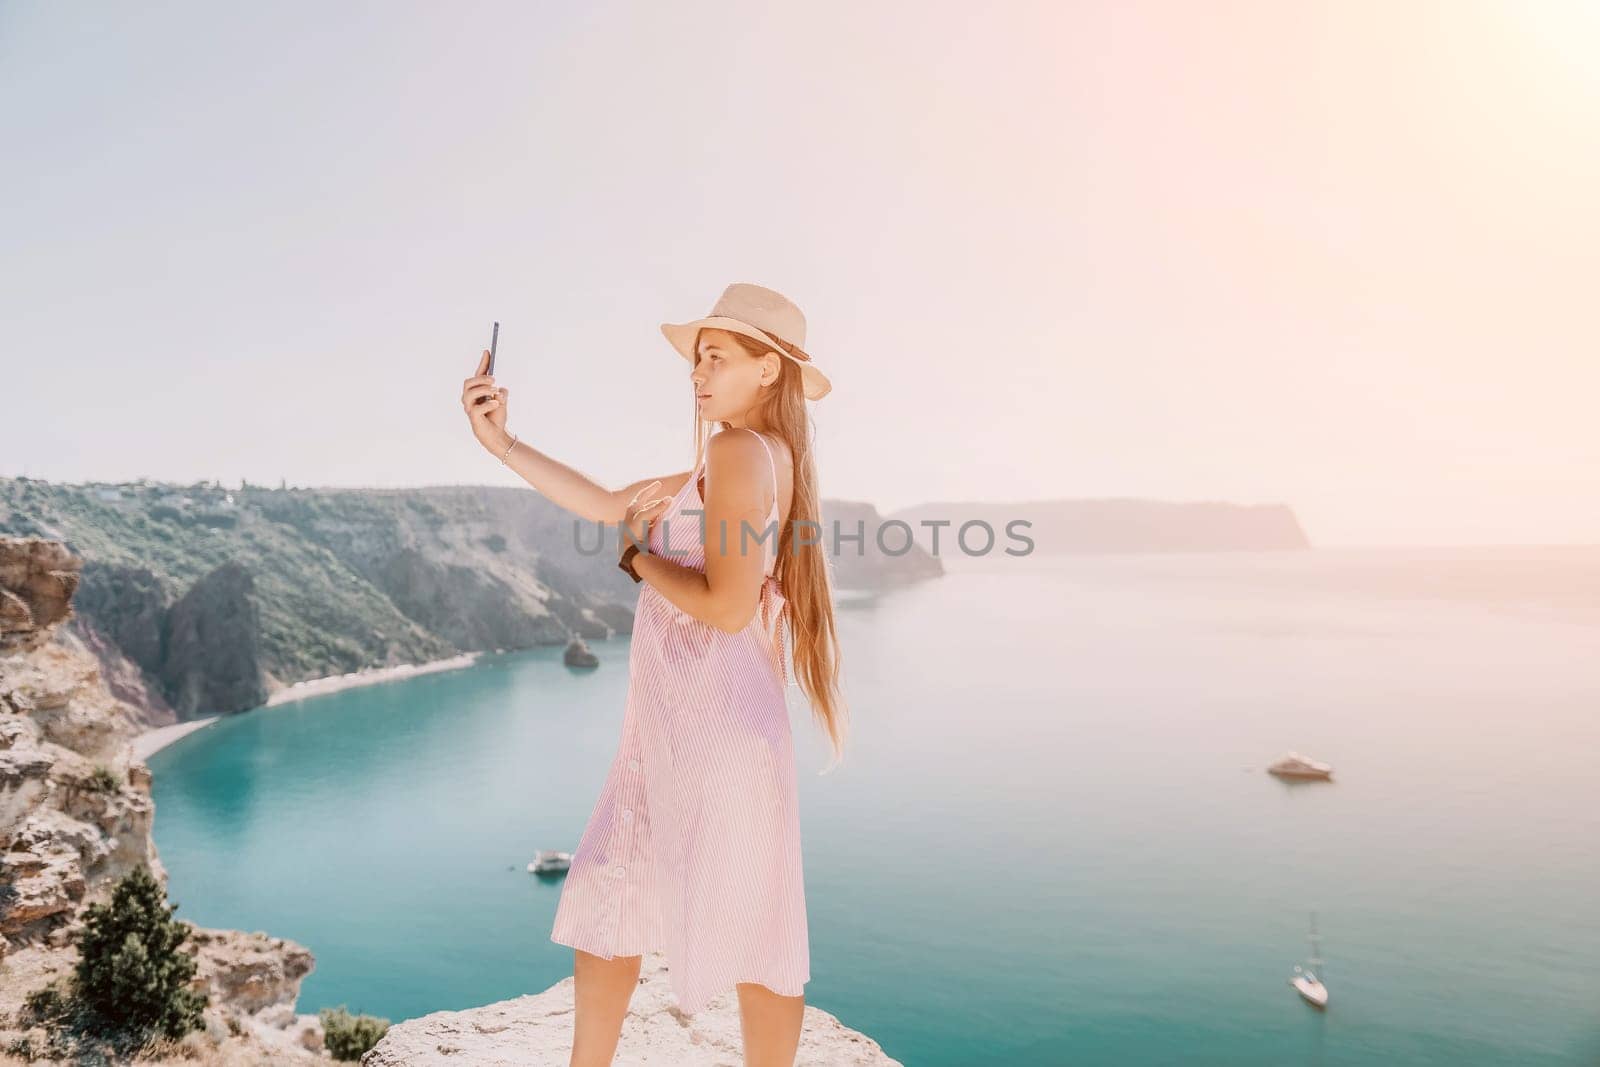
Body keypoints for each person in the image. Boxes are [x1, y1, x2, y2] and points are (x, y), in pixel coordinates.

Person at [460, 282, 848, 1067]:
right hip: (689, 725)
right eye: (696, 358)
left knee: (684, 904)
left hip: (712, 727)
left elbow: (729, 606)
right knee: (636, 895)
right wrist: (501, 441)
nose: (697, 373)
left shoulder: (739, 452)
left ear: (769, 370)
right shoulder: (750, 455)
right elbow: (609, 502)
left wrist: (638, 560)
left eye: (717, 356)